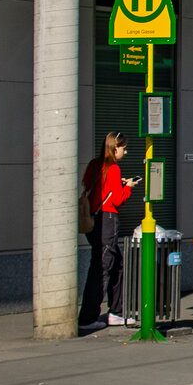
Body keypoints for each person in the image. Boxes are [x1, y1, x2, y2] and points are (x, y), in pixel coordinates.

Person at [78, 132, 140, 330]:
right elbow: (117, 199)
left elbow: (92, 188)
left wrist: (117, 184)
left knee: (116, 265)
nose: (125, 151)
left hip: (94, 221)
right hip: (108, 220)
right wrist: (128, 186)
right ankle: (88, 317)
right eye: (123, 148)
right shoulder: (112, 168)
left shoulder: (94, 165)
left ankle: (116, 311)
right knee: (102, 268)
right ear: (115, 148)